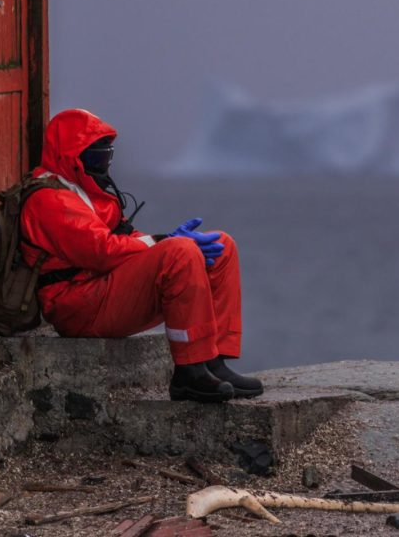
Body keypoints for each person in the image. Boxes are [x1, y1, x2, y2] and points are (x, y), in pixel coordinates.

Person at [18, 108, 263, 403]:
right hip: (78, 304)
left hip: (103, 289)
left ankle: (213, 362)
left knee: (220, 246)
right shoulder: (50, 199)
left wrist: (162, 241)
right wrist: (163, 241)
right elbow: (102, 251)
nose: (103, 164)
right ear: (72, 155)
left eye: (107, 156)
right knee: (180, 252)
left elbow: (121, 240)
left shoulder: (86, 191)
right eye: (95, 157)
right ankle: (188, 371)